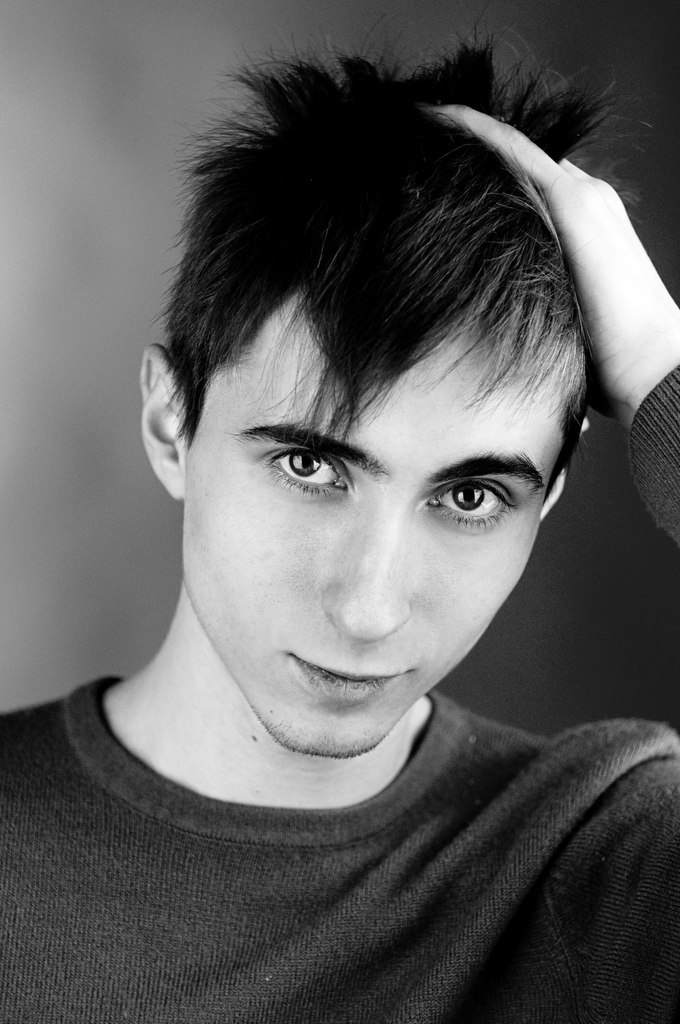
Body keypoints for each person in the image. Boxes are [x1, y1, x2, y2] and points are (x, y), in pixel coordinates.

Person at [1, 39, 679, 1022]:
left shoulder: (615, 866)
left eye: (469, 497)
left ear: (553, 488)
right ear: (169, 423)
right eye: (310, 467)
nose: (368, 608)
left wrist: (661, 362)